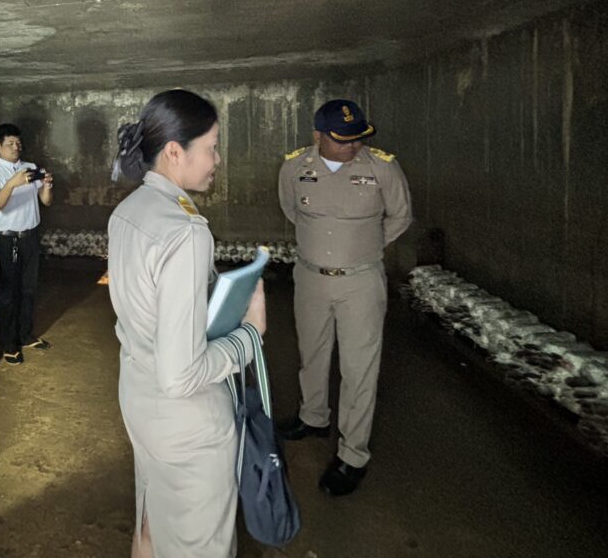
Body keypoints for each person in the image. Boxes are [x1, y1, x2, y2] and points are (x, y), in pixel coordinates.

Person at [108, 90, 267, 558]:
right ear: (175, 152)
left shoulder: (128, 211)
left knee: (152, 524)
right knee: (198, 544)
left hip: (140, 397)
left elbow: (149, 310)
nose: (217, 159)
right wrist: (249, 336)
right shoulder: (186, 231)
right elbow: (181, 375)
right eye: (212, 147)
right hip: (187, 423)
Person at [277, 99, 412, 496]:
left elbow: (401, 216)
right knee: (312, 352)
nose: (353, 146)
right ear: (318, 135)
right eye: (342, 139)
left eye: (358, 138)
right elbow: (292, 211)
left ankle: (353, 455)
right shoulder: (294, 168)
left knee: (359, 368)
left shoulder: (382, 168)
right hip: (310, 277)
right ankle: (313, 417)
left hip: (361, 281)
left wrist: (362, 246)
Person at [0, 123, 53, 365]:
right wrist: (12, 183)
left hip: (30, 237)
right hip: (7, 239)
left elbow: (46, 201)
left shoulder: (30, 167)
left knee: (29, 289)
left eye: (18, 142)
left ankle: (25, 335)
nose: (16, 147)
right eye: (10, 143)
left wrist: (47, 186)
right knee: (7, 294)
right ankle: (9, 344)